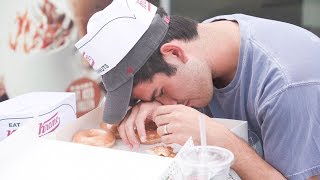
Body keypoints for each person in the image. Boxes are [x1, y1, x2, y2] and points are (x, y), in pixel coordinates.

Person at [75, 0, 320, 179]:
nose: (168, 104)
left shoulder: (289, 87)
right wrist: (153, 103)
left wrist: (226, 142)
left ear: (174, 52)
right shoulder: (207, 38)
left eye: (159, 92)